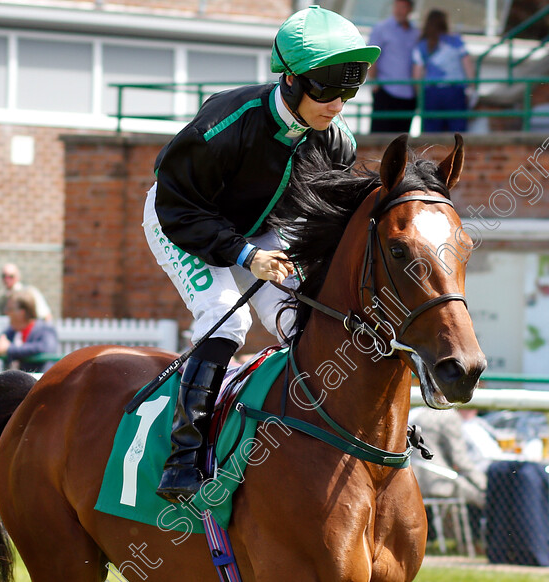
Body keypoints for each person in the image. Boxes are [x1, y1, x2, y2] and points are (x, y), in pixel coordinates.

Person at [142, 5, 379, 503]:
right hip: (182, 217)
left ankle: (307, 444)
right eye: (326, 89)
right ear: (289, 79)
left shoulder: (335, 142)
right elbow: (176, 205)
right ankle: (185, 455)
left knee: (303, 320)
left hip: (262, 230)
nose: (336, 105)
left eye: (348, 90)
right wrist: (246, 256)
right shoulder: (228, 121)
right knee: (225, 319)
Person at [411, 9, 474, 133]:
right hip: (455, 92)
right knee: (457, 134)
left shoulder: (422, 45)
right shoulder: (456, 41)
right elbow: (468, 66)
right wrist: (471, 88)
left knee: (431, 136)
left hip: (431, 94)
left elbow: (416, 75)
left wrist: (420, 98)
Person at [0, 289, 59, 374]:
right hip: (14, 385)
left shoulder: (45, 329)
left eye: (10, 309)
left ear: (22, 312)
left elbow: (46, 348)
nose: (6, 312)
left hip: (38, 383)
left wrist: (8, 349)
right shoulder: (12, 331)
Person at [368, 0, 418, 133]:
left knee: (402, 138)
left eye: (403, 6)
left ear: (410, 9)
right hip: (386, 90)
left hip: (409, 95)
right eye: (397, 6)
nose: (399, 10)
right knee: (379, 136)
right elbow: (372, 57)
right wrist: (375, 83)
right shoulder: (381, 29)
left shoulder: (416, 32)